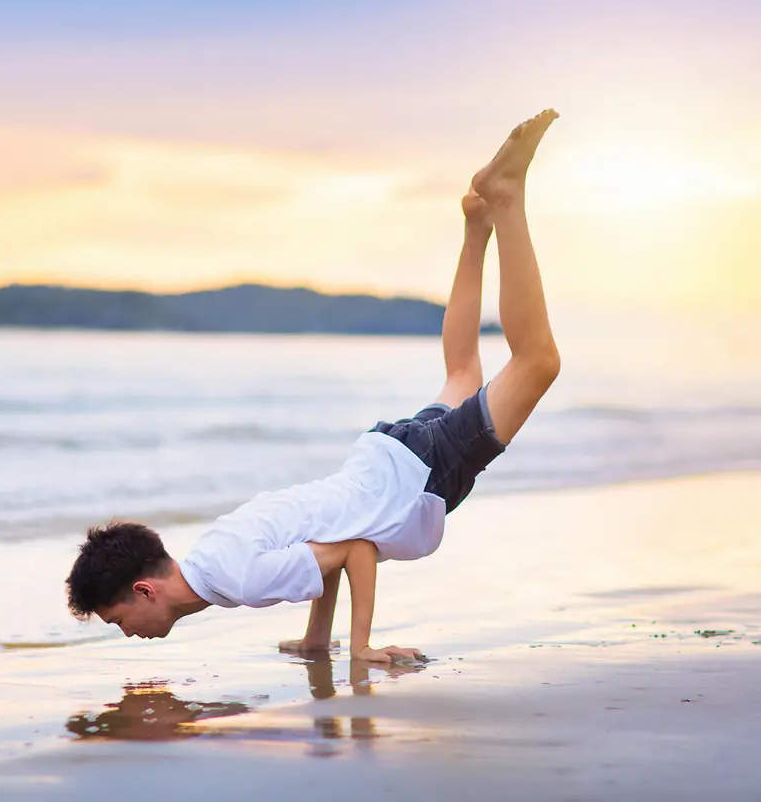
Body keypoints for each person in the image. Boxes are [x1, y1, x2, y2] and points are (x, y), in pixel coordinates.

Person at [66, 109, 562, 663]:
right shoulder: (215, 556)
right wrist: (315, 641)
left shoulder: (235, 578)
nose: (126, 632)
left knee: (537, 362)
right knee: (463, 374)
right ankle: (477, 225)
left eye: (118, 621)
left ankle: (505, 201)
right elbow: (316, 553)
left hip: (411, 478)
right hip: (383, 461)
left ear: (144, 590)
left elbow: (353, 550)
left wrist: (360, 648)